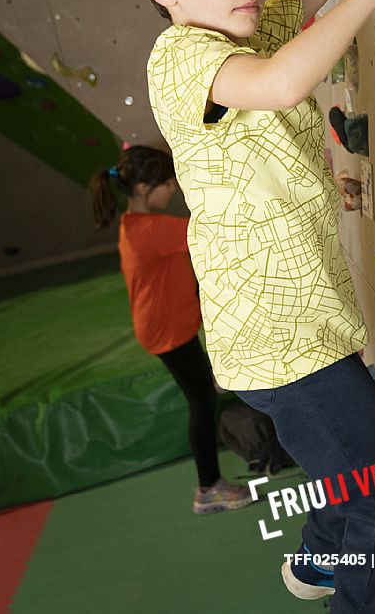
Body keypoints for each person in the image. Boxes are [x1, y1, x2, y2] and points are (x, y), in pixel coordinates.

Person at [130, 0, 375, 613]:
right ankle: (346, 584)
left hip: (308, 319)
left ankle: (322, 558)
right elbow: (287, 76)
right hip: (277, 338)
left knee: (350, 482)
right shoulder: (183, 58)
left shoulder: (250, 24)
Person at [90, 145, 252, 515]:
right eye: (167, 183)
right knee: (202, 402)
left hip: (165, 325)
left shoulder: (134, 224)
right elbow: (208, 233)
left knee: (203, 392)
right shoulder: (152, 231)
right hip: (167, 332)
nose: (174, 188)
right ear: (145, 189)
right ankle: (208, 488)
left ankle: (215, 381)